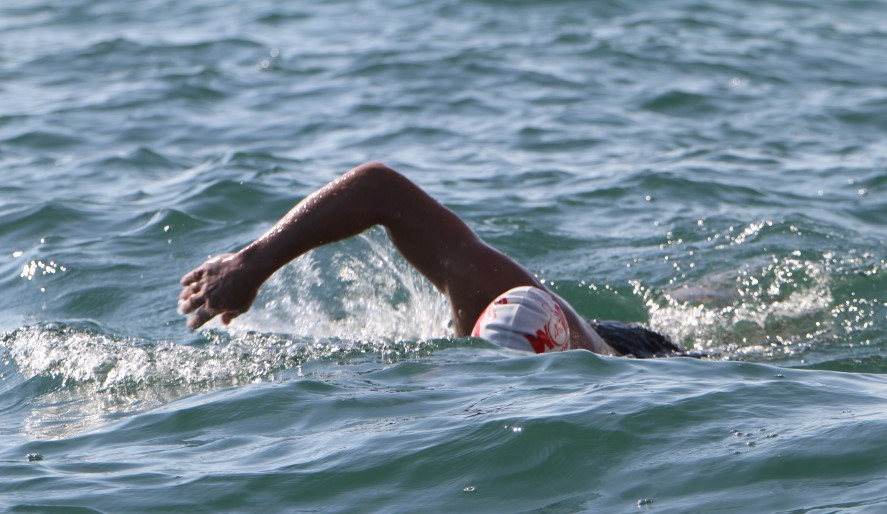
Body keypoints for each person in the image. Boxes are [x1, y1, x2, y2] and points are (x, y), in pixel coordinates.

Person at [178, 162, 680, 357]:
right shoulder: (481, 290)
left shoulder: (596, 369)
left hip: (641, 355)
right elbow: (377, 188)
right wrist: (252, 262)